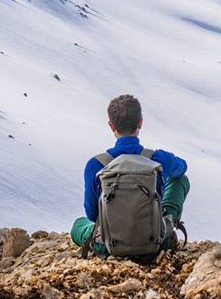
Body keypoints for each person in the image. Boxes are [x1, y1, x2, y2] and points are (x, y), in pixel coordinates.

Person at [71, 94, 190, 254]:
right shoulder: (157, 159)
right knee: (180, 180)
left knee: (79, 224)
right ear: (140, 122)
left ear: (111, 126)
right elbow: (182, 169)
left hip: (109, 246)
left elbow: (92, 215)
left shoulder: (96, 165)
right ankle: (167, 227)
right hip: (155, 243)